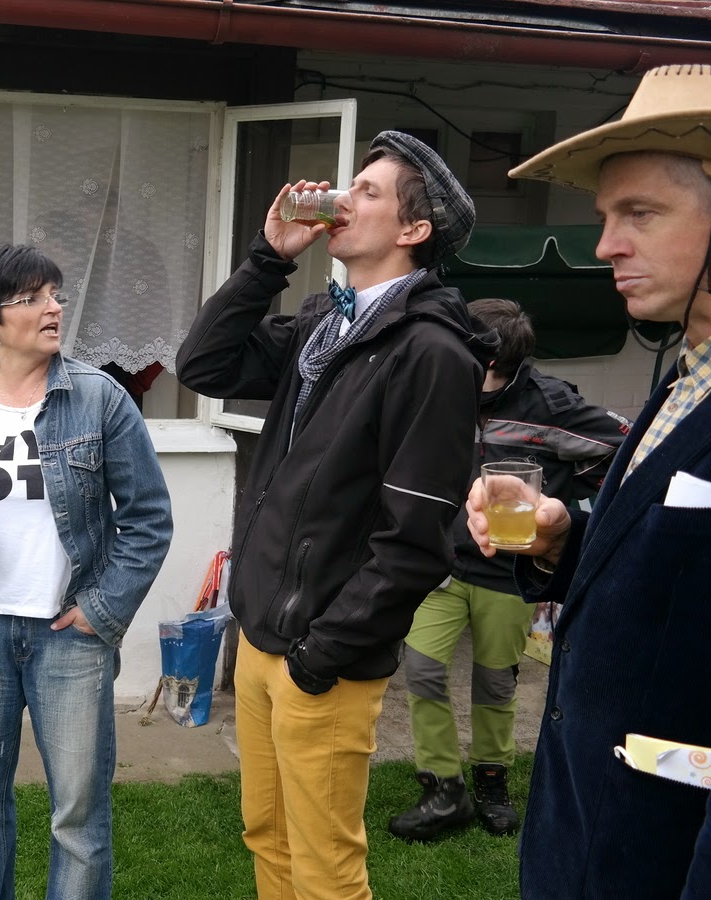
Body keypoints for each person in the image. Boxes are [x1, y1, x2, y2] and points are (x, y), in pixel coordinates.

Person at [465, 64, 711, 897]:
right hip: (589, 842)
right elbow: (697, 577)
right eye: (605, 216)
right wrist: (563, 537)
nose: (605, 246)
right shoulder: (691, 372)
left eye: (639, 213)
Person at [176, 131, 494, 900]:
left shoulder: (431, 353)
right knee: (267, 835)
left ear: (414, 229)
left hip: (323, 660)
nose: (343, 200)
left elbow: (416, 539)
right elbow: (204, 364)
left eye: (369, 192)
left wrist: (324, 654)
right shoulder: (328, 321)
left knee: (326, 871)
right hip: (261, 635)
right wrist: (268, 258)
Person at [0, 244, 173, 900]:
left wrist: (102, 611)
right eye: (32, 298)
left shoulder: (100, 400)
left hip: (69, 637)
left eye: (55, 294)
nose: (54, 308)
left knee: (78, 816)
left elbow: (148, 519)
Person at [388, 298, 629, 842]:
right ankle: (442, 785)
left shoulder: (551, 404)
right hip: (441, 565)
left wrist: (571, 489)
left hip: (507, 573)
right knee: (422, 670)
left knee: (495, 683)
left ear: (496, 360)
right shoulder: (440, 389)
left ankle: (491, 779)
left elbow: (628, 448)